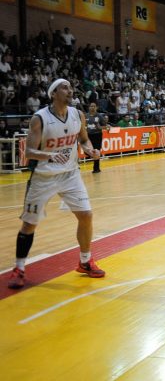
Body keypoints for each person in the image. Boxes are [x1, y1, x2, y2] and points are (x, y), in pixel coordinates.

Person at [7, 79, 104, 289]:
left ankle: (85, 261)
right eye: (64, 87)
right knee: (29, 224)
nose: (70, 90)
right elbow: (28, 152)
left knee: (86, 215)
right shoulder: (40, 118)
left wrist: (89, 150)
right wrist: (49, 155)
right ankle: (19, 269)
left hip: (70, 174)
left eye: (70, 87)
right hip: (44, 177)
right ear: (53, 93)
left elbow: (83, 139)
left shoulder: (78, 115)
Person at [86, 102, 108, 173]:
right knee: (87, 151)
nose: (92, 107)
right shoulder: (86, 115)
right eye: (91, 106)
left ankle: (96, 168)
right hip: (88, 135)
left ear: (96, 107)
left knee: (96, 151)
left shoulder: (99, 116)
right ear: (89, 107)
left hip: (97, 135)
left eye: (94, 106)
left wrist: (99, 127)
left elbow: (105, 126)